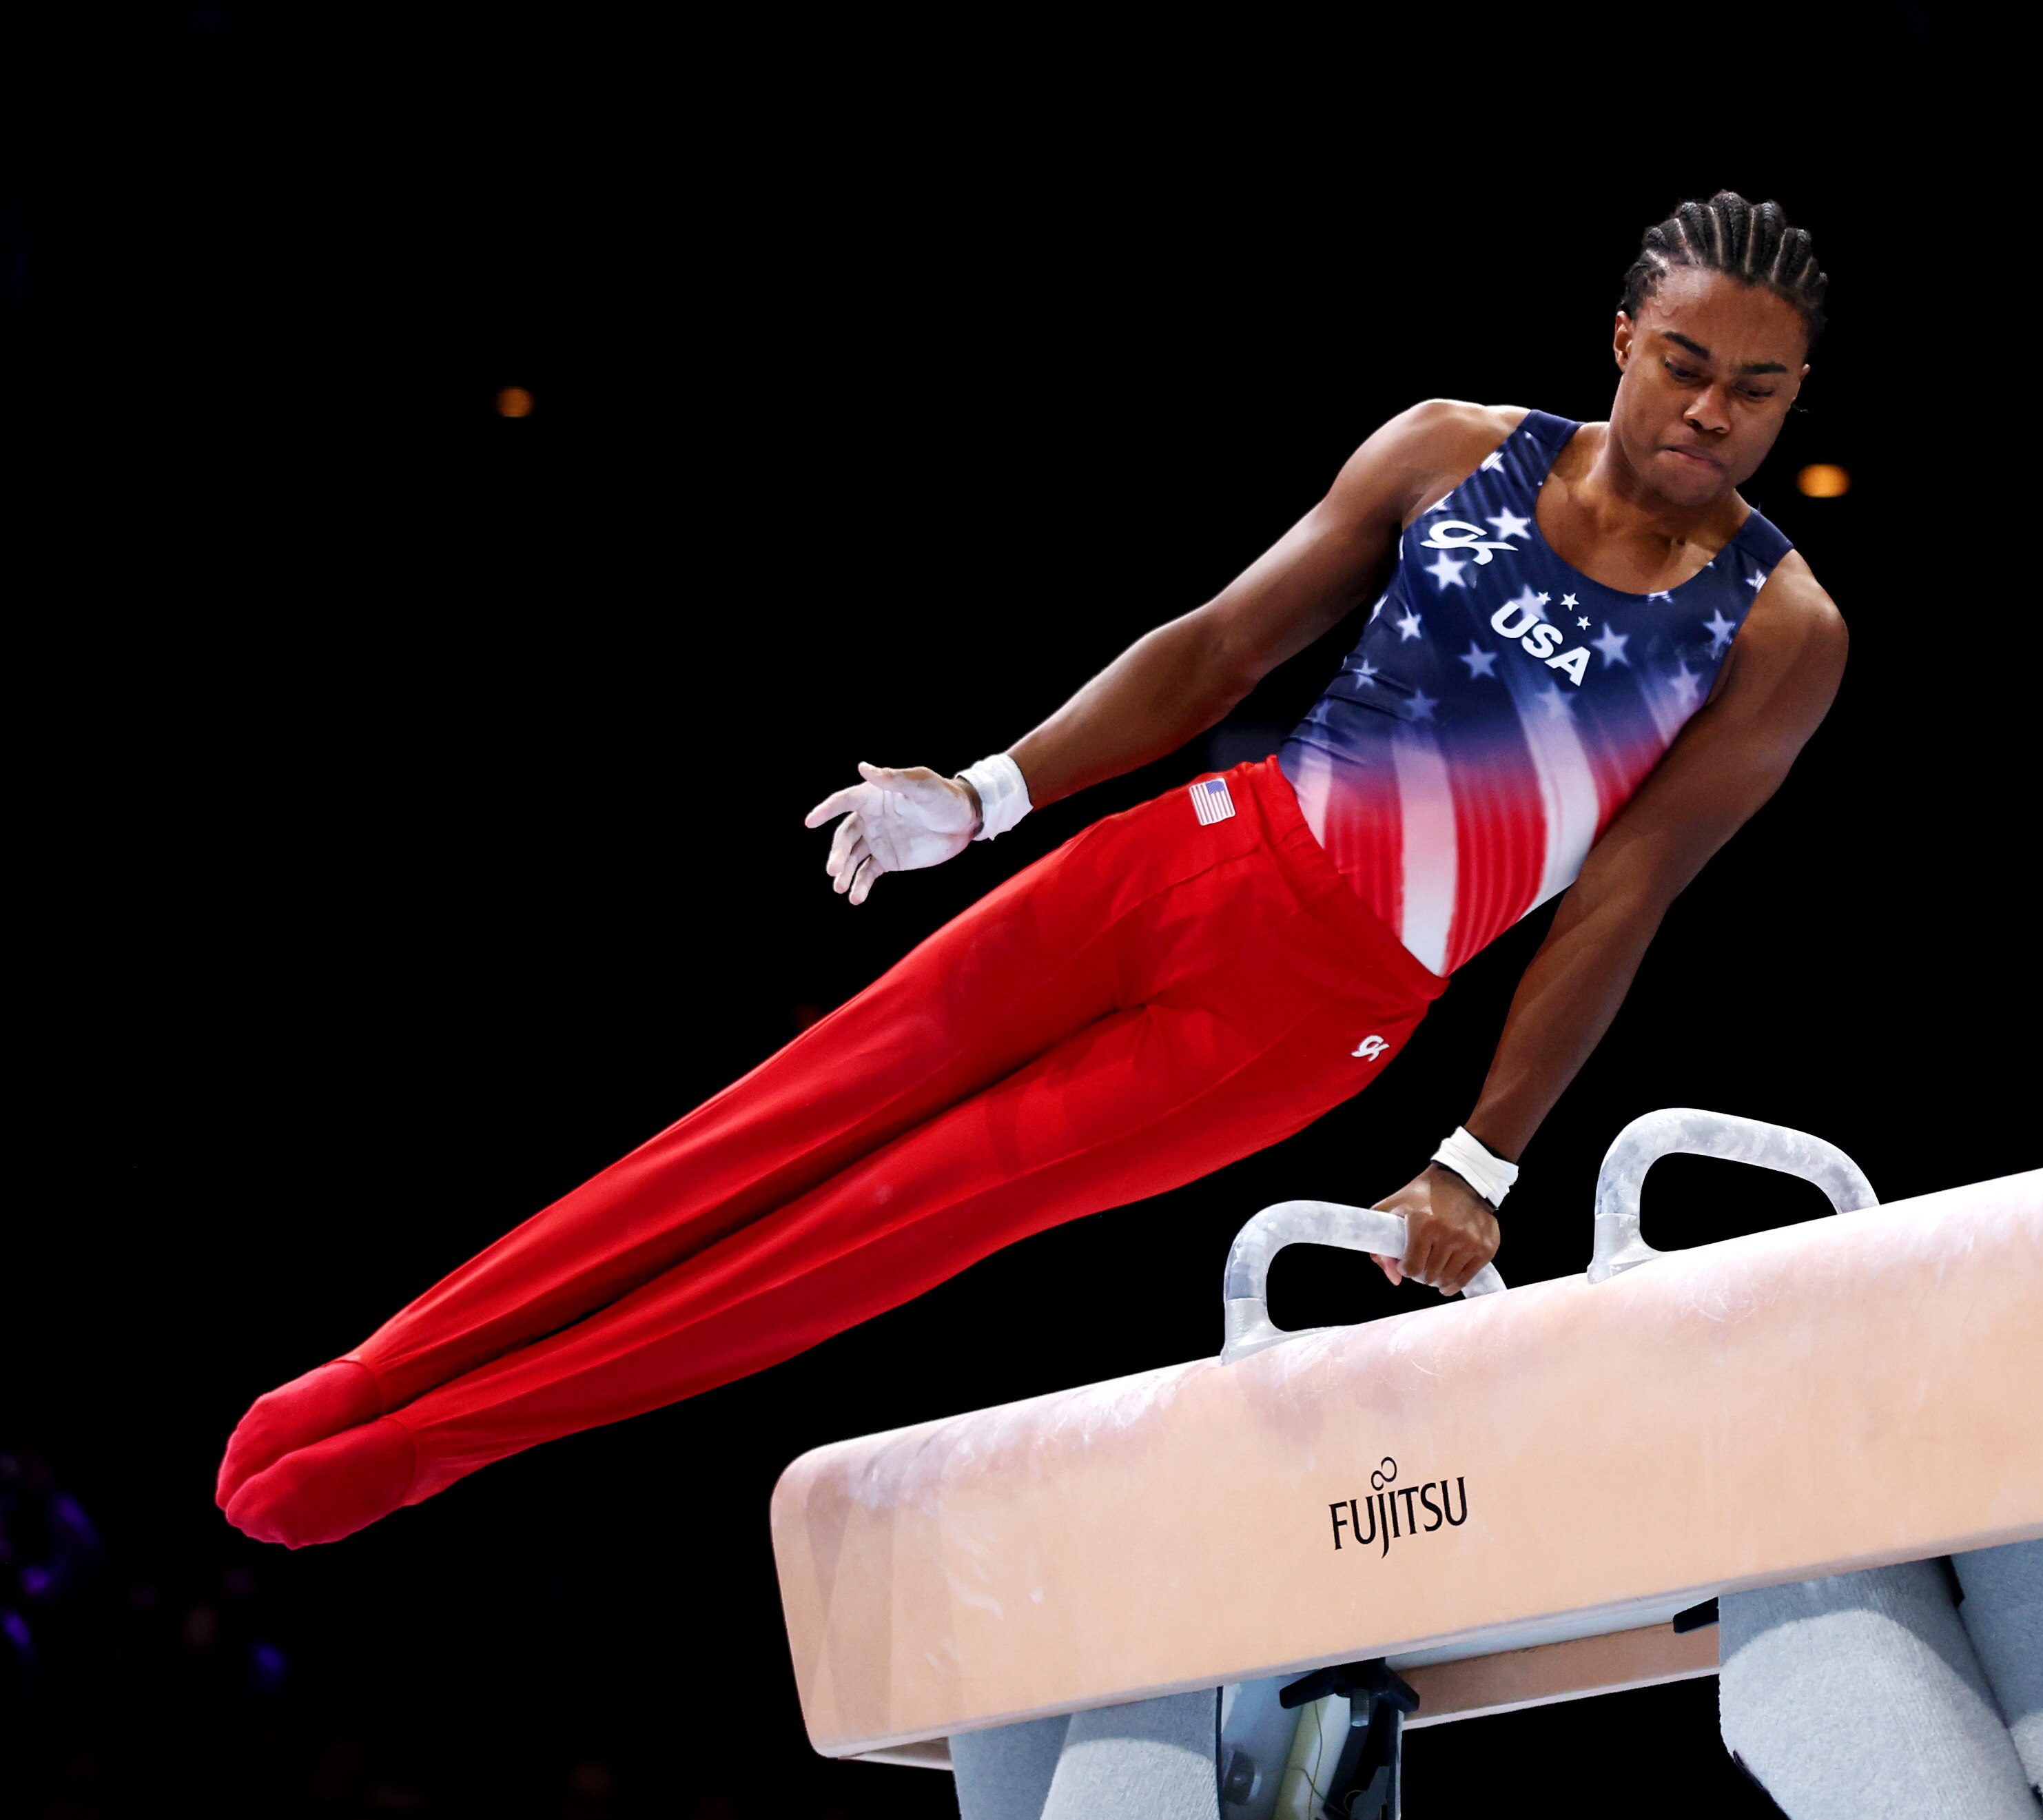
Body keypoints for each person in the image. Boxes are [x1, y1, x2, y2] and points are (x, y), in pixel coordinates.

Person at [216, 190, 1849, 1551]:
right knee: (772, 1117)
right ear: (1620, 338)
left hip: (1304, 1010)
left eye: (1756, 390)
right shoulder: (1450, 447)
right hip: (1180, 857)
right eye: (1685, 364)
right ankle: (368, 1375)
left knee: (873, 1224)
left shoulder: (1773, 632)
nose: (1709, 413)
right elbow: (1216, 646)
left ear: (1793, 398)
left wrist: (1477, 1165)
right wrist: (986, 793)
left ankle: (424, 1445)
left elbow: (1625, 894)